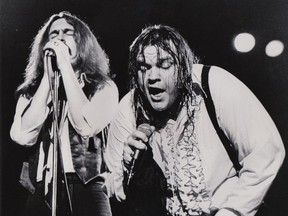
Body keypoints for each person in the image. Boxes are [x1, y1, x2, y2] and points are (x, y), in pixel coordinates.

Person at [104, 25, 285, 216]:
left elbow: (265, 152)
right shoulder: (129, 107)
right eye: (143, 68)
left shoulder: (214, 84)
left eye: (164, 65)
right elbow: (113, 190)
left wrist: (231, 212)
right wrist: (127, 168)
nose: (152, 77)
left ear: (183, 68)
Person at [10, 11, 118, 216]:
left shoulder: (103, 87)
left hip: (88, 188)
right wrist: (47, 80)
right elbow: (23, 136)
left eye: (67, 32)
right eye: (54, 34)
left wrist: (65, 67)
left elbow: (85, 126)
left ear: (82, 42)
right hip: (42, 189)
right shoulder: (30, 93)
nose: (59, 38)